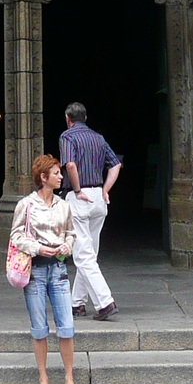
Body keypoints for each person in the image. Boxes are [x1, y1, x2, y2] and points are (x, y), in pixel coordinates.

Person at [9, 155, 80, 384]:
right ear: (43, 178)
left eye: (60, 172)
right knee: (39, 329)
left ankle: (69, 380)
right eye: (56, 172)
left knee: (67, 328)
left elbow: (71, 233)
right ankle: (43, 379)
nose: (61, 176)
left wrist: (65, 247)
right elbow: (16, 236)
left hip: (59, 269)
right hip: (36, 271)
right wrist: (38, 248)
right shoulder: (26, 205)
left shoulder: (63, 205)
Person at [59, 101, 121, 320]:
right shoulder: (98, 138)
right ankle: (77, 303)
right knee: (89, 253)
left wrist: (76, 190)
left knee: (83, 255)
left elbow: (70, 165)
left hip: (80, 197)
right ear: (85, 117)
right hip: (98, 198)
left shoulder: (67, 137)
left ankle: (105, 302)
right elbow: (115, 165)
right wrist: (105, 189)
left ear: (68, 118)